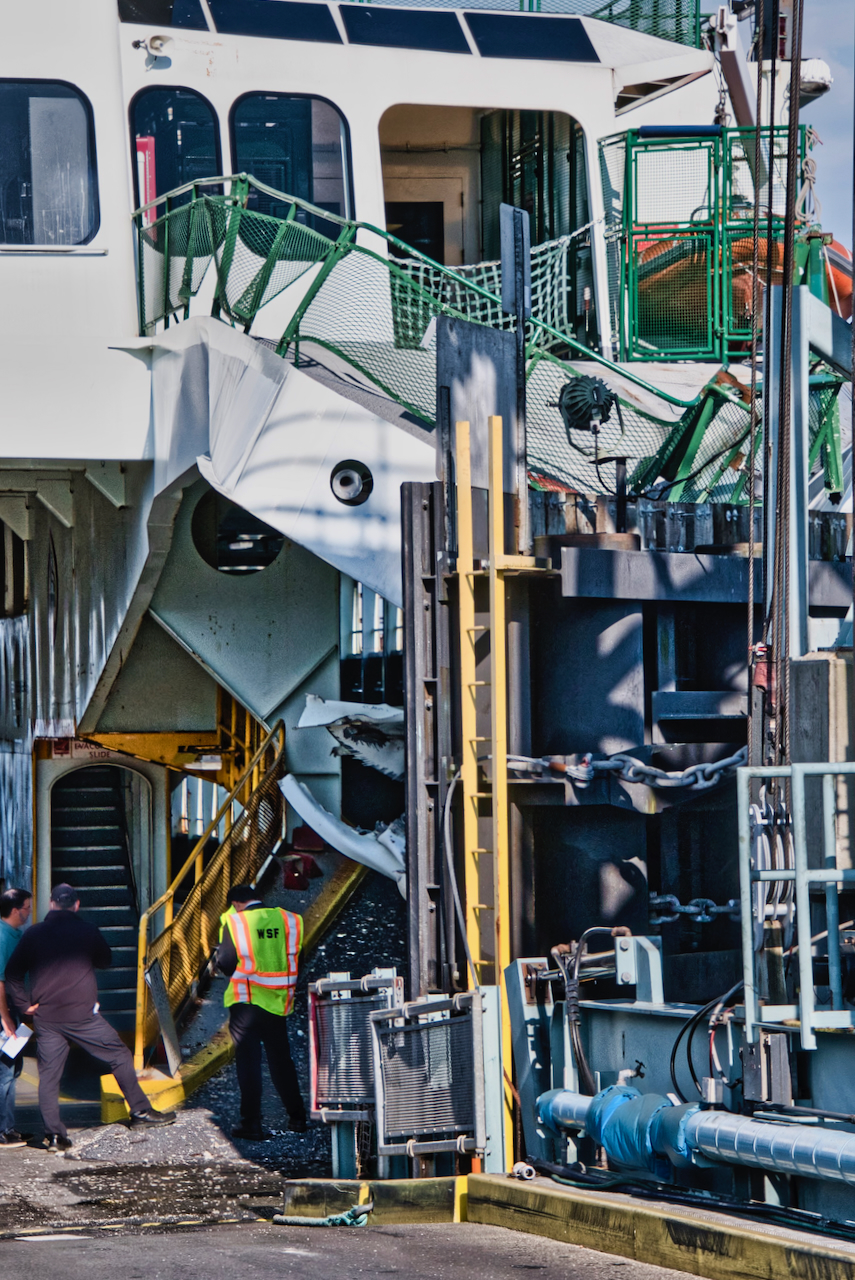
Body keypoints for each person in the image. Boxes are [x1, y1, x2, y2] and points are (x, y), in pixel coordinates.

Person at [5, 883, 176, 1152]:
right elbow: (105, 960)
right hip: (82, 1017)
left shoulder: (33, 934)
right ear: (76, 905)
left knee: (49, 1077)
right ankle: (141, 1112)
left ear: (51, 904)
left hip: (47, 1018)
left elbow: (13, 973)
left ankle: (54, 1136)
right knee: (119, 1055)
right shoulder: (88, 931)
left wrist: (25, 1005)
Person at [216, 883, 307, 1140]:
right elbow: (297, 955)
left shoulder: (234, 922)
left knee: (249, 1062)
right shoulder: (289, 920)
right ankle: (297, 1117)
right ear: (259, 898)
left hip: (246, 1001)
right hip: (277, 1001)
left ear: (235, 903)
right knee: (281, 1061)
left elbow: (226, 962)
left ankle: (252, 1124)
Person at [0, 888, 32, 1149]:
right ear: (14, 910)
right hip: (5, 1012)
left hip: (13, 1010)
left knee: (11, 1070)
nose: (29, 912)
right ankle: (3, 1130)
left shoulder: (14, 935)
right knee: (5, 1073)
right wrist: (5, 1017)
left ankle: (8, 1128)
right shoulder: (2, 937)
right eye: (27, 907)